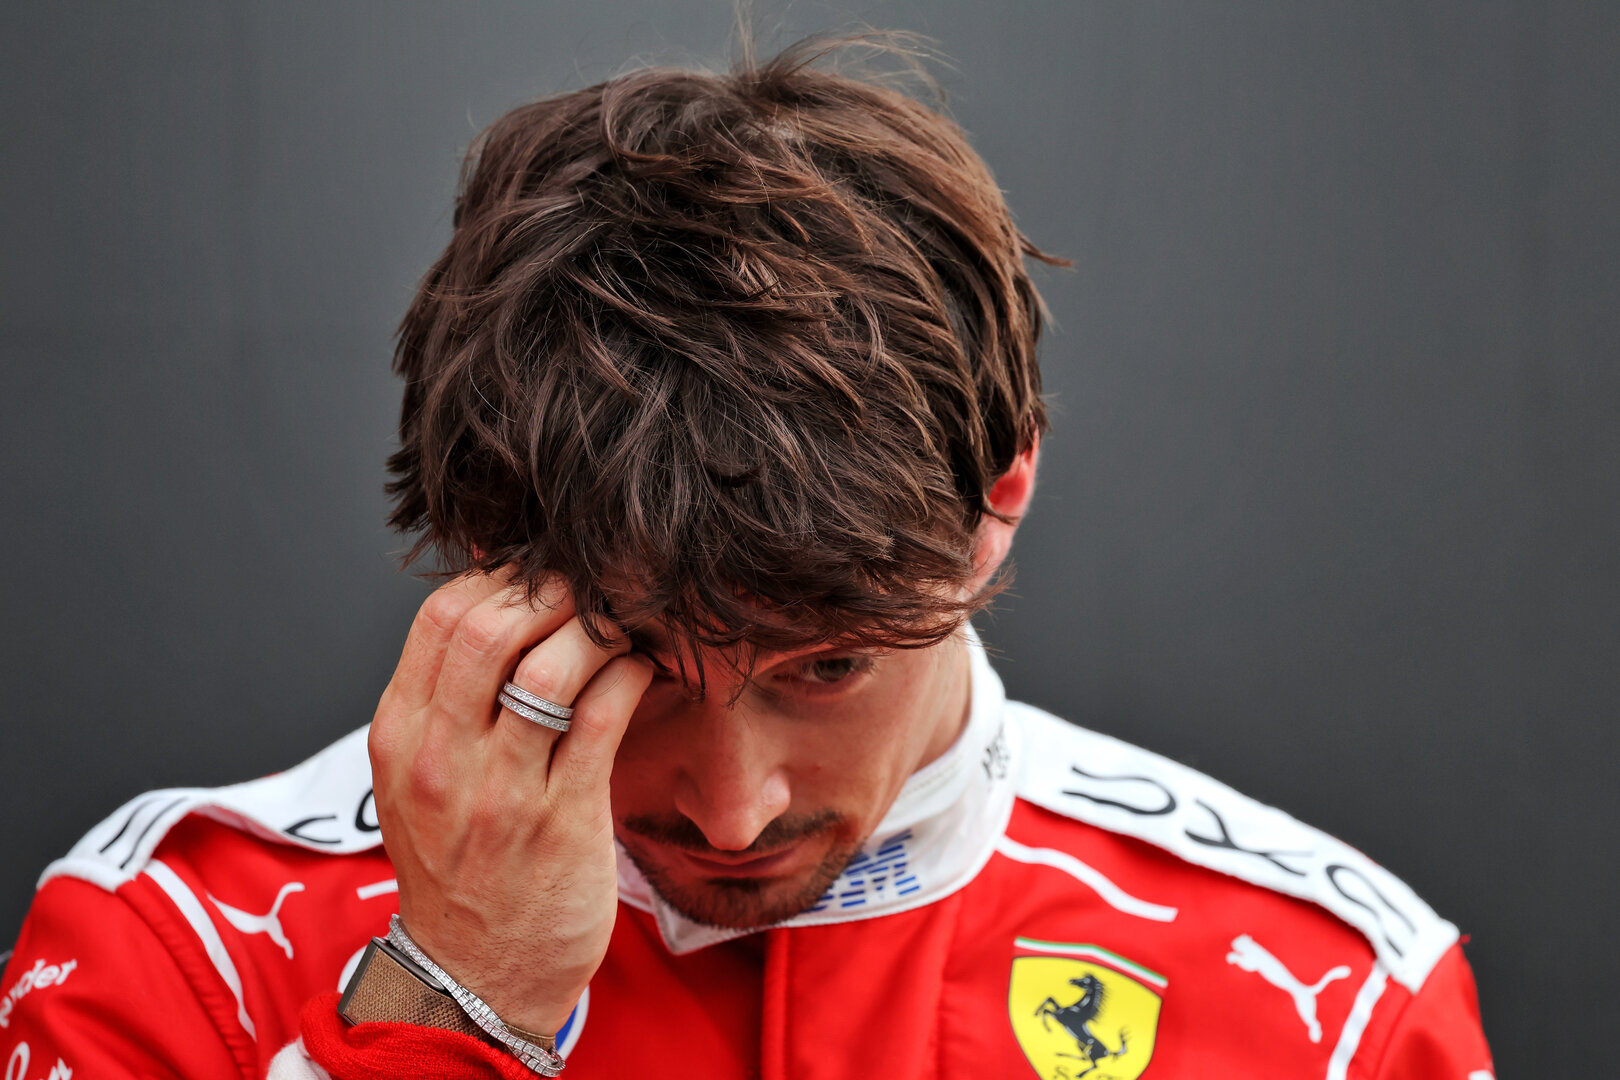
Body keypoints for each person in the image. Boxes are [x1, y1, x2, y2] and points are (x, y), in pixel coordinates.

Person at [1, 34, 1493, 1080]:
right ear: (478, 559)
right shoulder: (174, 950)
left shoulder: (1330, 999)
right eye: (641, 672)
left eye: (827, 664)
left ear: (1002, 497)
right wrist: (449, 1013)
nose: (732, 808)